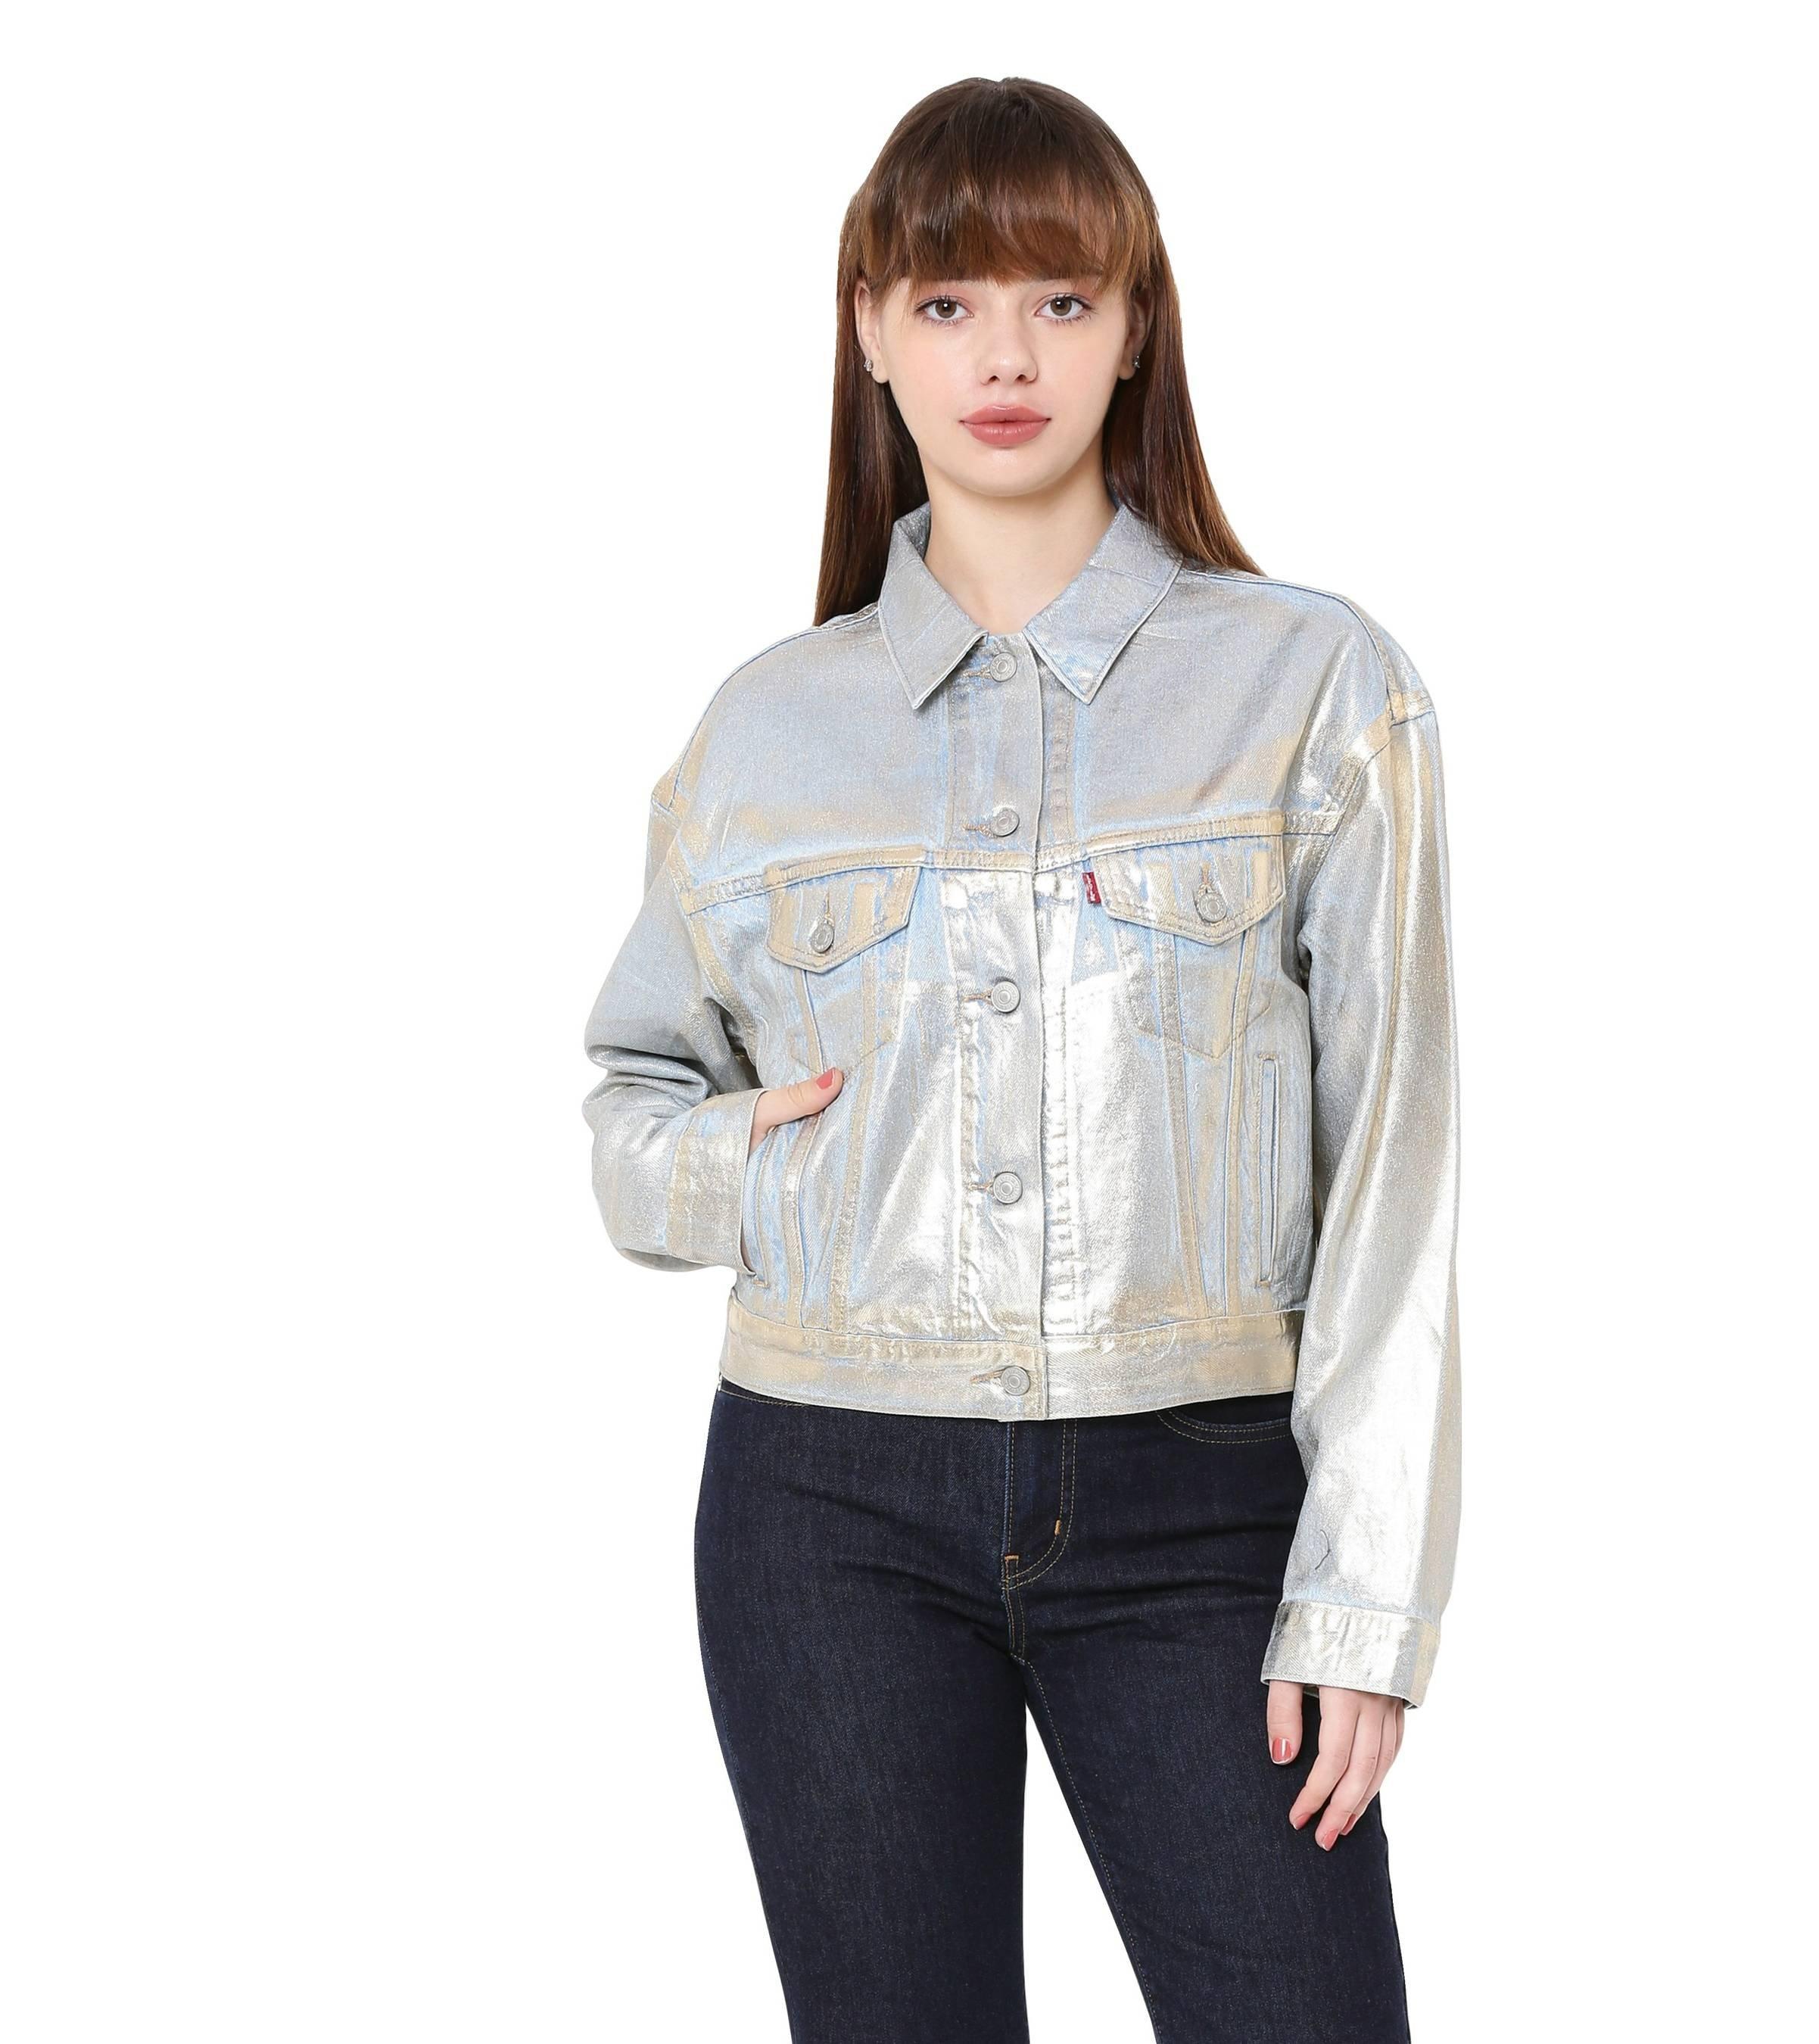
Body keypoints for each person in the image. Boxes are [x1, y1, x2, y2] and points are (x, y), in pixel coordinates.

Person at [581, 75, 1459, 2044]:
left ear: (1136, 328)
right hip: (824, 1506)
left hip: (1201, 1499)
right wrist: (757, 1169)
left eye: (1062, 300)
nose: (1006, 356)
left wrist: (1365, 1594)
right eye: (950, 300)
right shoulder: (762, 732)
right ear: (870, 330)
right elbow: (631, 1109)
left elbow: (1395, 1162)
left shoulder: (1310, 685)